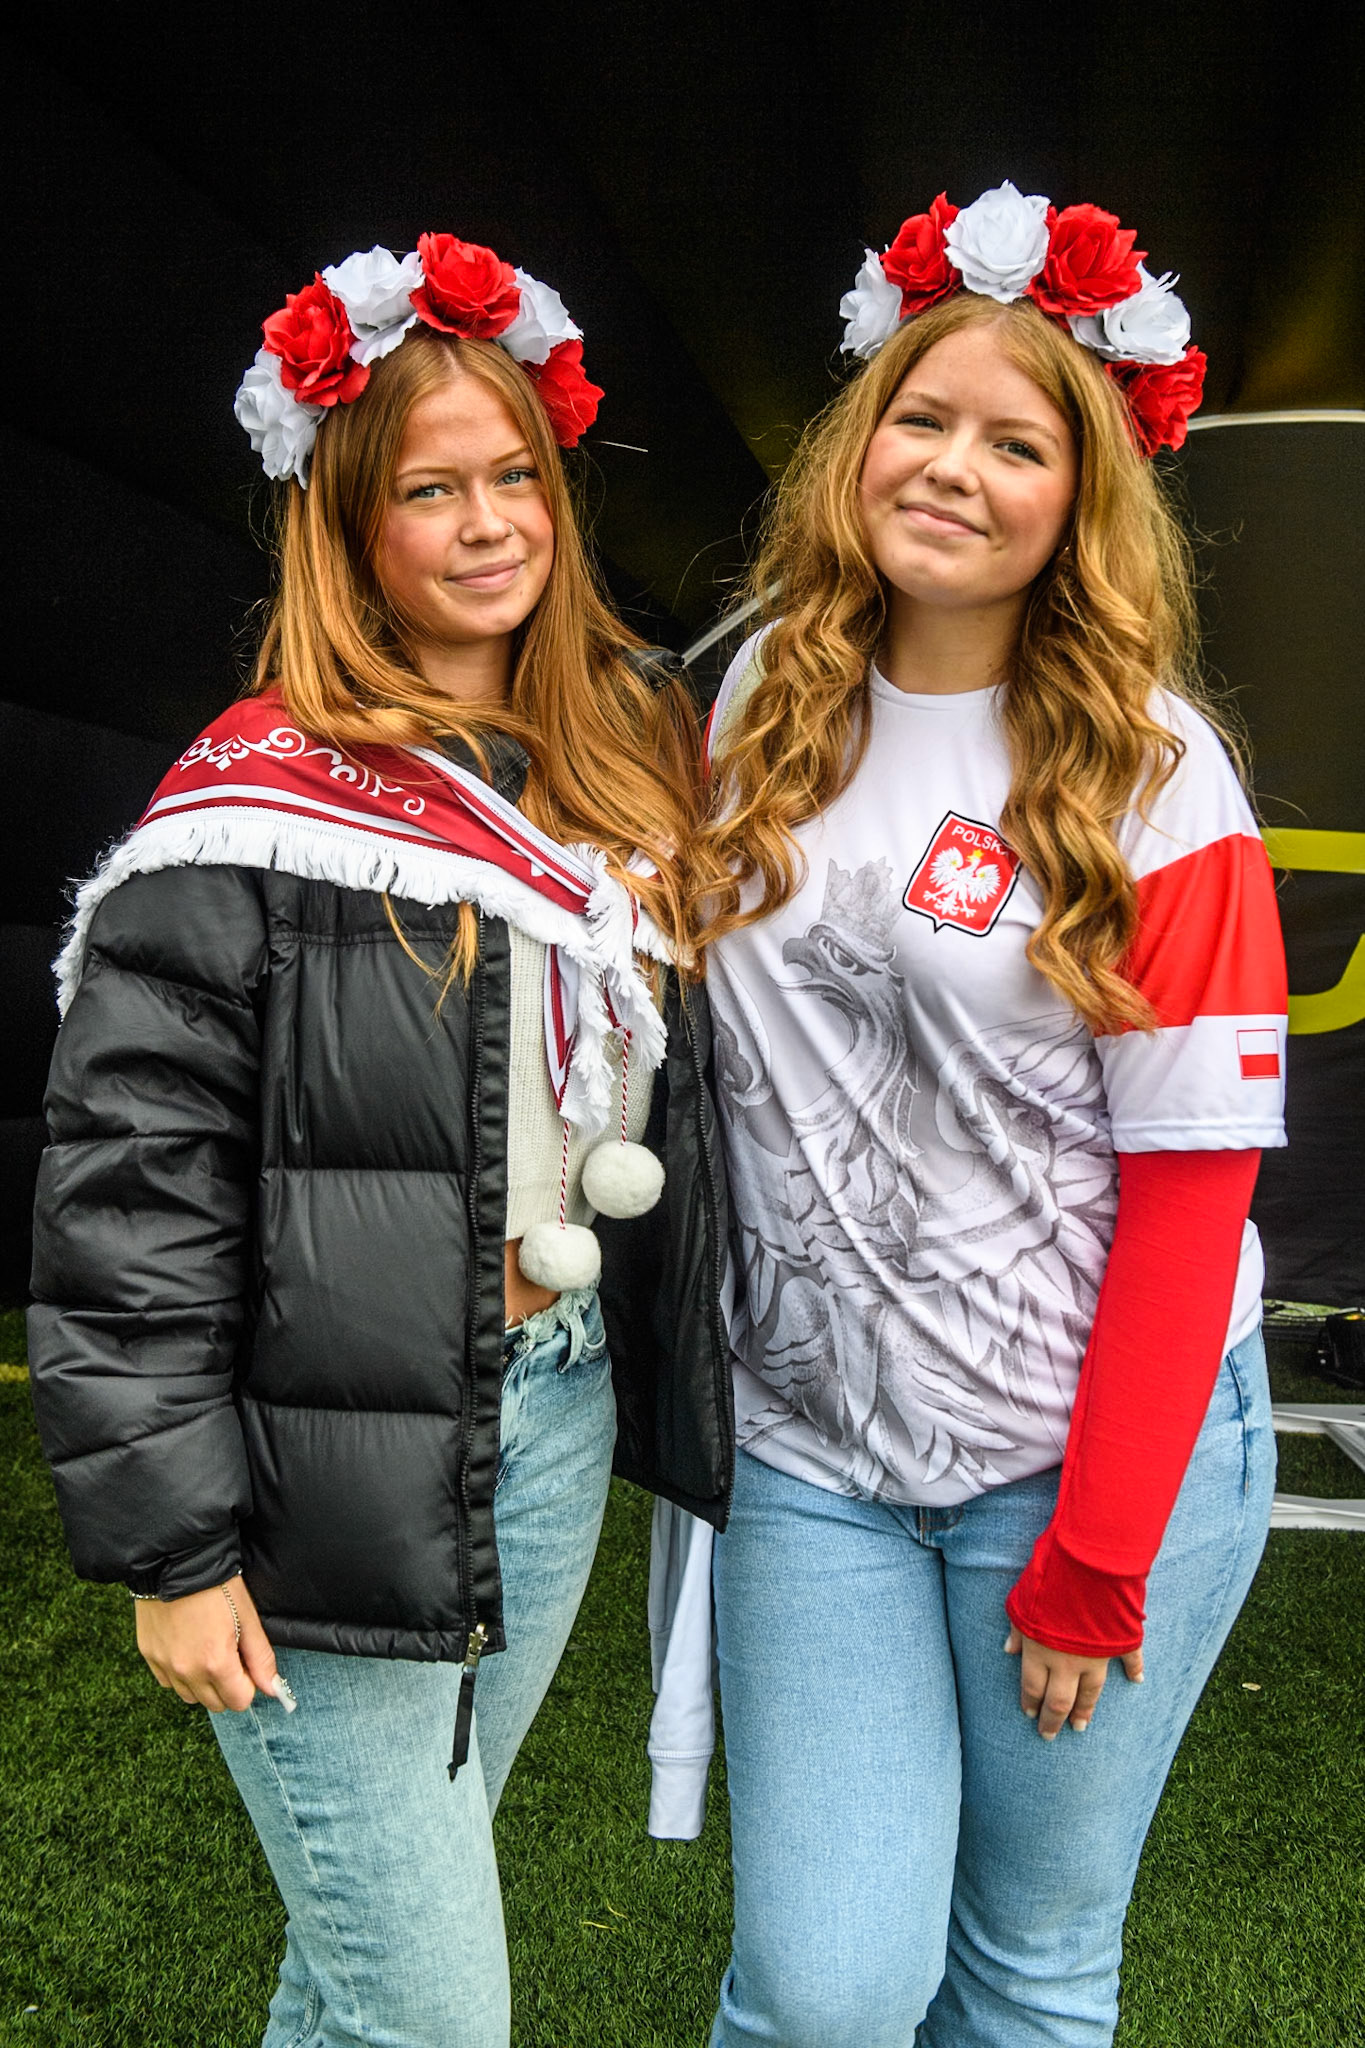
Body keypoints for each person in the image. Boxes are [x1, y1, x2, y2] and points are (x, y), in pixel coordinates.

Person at [27, 231, 731, 2048]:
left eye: (516, 478)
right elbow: (130, 1199)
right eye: (431, 489)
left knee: (353, 1972)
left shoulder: (612, 755)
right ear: (347, 526)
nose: (491, 522)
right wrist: (172, 1553)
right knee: (429, 2010)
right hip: (312, 1460)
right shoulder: (258, 797)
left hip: (550, 1408)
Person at [692, 183, 1287, 2046]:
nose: (952, 467)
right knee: (821, 1989)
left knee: (1027, 1966)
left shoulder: (1154, 777)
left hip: (1096, 1461)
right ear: (856, 443)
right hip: (816, 1458)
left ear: (1081, 498)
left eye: (1015, 442)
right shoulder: (755, 697)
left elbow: (1192, 1201)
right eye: (920, 419)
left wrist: (1096, 1557)